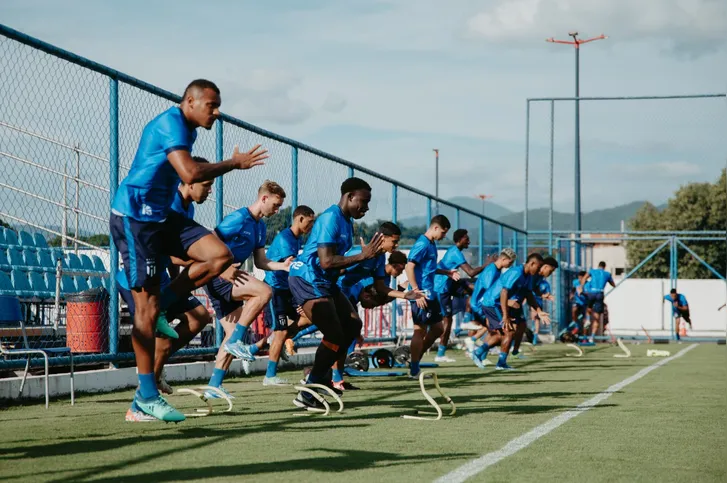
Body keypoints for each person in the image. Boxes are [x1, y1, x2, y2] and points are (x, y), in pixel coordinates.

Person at [109, 79, 268, 422]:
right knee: (145, 313)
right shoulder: (170, 124)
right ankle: (144, 399)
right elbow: (190, 172)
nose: (217, 111)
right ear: (190, 102)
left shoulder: (189, 130)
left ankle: (162, 304)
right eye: (211, 105)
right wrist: (234, 163)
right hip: (136, 219)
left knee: (219, 255)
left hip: (160, 216)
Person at [121, 164, 217, 421]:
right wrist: (199, 259)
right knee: (155, 334)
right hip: (137, 278)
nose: (209, 191)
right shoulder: (169, 203)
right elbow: (170, 251)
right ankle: (139, 404)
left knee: (199, 316)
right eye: (206, 185)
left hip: (163, 278)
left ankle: (156, 369)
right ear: (188, 181)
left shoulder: (189, 206)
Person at [288, 177, 383, 410]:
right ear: (349, 197)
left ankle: (318, 378)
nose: (367, 207)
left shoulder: (346, 222)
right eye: (364, 201)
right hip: (307, 279)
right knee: (334, 333)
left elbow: (336, 265)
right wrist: (363, 256)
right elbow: (326, 261)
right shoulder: (330, 217)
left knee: (352, 325)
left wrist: (359, 264)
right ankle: (309, 388)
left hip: (325, 282)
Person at [203, 181, 294, 398]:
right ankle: (236, 342)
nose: (277, 210)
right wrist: (223, 266)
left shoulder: (261, 226)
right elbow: (210, 241)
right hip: (218, 276)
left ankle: (213, 386)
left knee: (231, 334)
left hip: (231, 279)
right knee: (264, 292)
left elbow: (261, 261)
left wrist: (282, 265)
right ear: (264, 198)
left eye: (279, 206)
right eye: (275, 204)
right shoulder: (238, 218)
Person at [260, 205, 316, 386]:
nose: (311, 225)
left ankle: (279, 342)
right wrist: (301, 296)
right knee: (280, 331)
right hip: (275, 290)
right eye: (310, 221)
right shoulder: (285, 239)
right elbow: (294, 270)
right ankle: (269, 376)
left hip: (288, 290)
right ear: (300, 218)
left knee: (309, 316)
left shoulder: (296, 239)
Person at [472, 253, 549, 371]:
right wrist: (506, 316)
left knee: (504, 334)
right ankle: (496, 361)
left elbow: (528, 294)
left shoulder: (528, 276)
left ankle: (483, 354)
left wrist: (539, 311)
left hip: (496, 304)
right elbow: (504, 292)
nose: (539, 270)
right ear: (532, 263)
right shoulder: (516, 272)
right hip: (492, 303)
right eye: (538, 267)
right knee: (508, 332)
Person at [404, 215, 460, 378]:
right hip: (421, 293)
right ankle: (414, 370)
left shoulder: (431, 244)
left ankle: (415, 361)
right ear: (435, 228)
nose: (444, 236)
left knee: (438, 328)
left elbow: (428, 268)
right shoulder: (422, 244)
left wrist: (446, 272)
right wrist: (415, 291)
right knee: (419, 331)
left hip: (430, 292)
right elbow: (409, 267)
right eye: (443, 232)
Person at [432, 229, 487, 363]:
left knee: (473, 289)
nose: (469, 241)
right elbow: (471, 272)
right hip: (442, 287)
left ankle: (466, 320)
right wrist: (487, 264)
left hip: (450, 283)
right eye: (466, 238)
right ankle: (440, 354)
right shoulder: (455, 253)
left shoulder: (455, 251)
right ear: (460, 239)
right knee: (447, 321)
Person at [464, 248, 517, 365]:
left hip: (484, 304)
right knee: (500, 333)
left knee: (494, 332)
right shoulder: (492, 270)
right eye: (510, 262)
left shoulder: (497, 270)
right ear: (503, 259)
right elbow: (489, 290)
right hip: (480, 305)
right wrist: (507, 302)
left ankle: (480, 355)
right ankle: (476, 351)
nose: (511, 265)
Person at [511, 256, 557, 357]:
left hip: (518, 302)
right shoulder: (531, 273)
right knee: (509, 330)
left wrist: (542, 295)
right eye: (551, 270)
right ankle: (482, 350)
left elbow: (533, 289)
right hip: (511, 301)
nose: (551, 273)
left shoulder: (538, 277)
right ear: (545, 266)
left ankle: (515, 351)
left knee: (522, 326)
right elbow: (527, 292)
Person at [582, 261, 616, 343]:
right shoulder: (607, 274)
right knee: (597, 318)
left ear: (598, 266)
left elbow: (584, 278)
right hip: (600, 294)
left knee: (588, 309)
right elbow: (613, 284)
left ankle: (587, 319)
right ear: (604, 267)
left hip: (591, 293)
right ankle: (591, 337)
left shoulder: (592, 271)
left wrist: (582, 287)